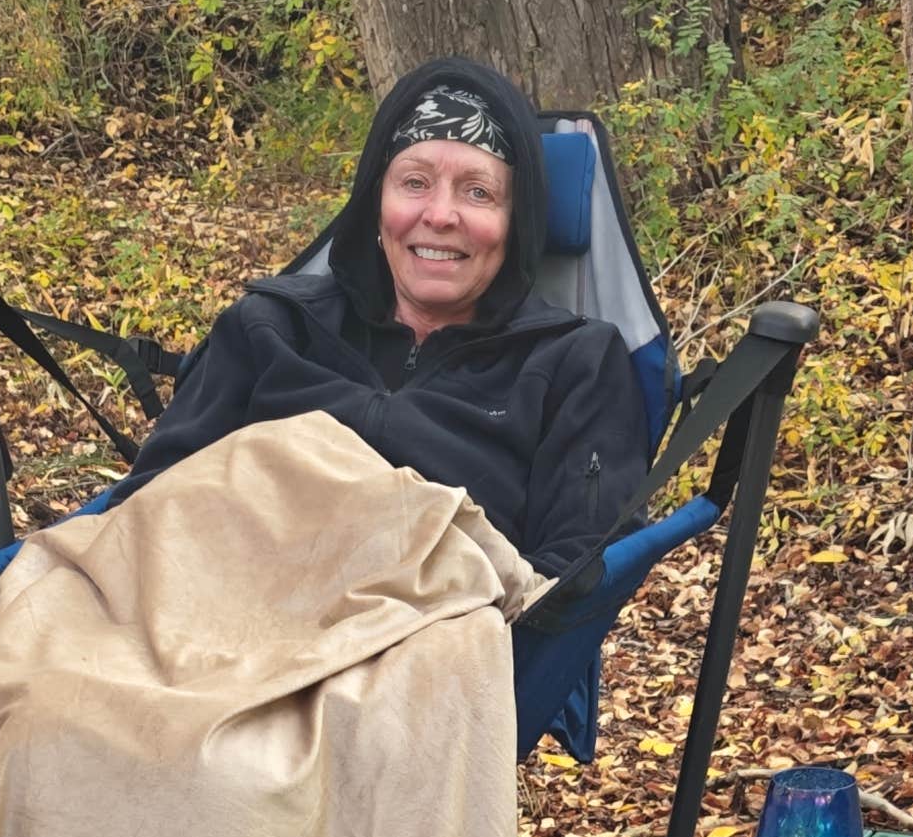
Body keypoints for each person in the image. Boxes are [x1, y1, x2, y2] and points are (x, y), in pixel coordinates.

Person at [116, 56, 650, 580]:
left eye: (478, 192)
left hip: (441, 646)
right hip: (217, 616)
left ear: (517, 223)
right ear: (377, 202)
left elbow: (574, 579)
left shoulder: (575, 364)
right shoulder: (270, 329)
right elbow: (149, 505)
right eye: (415, 183)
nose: (440, 215)